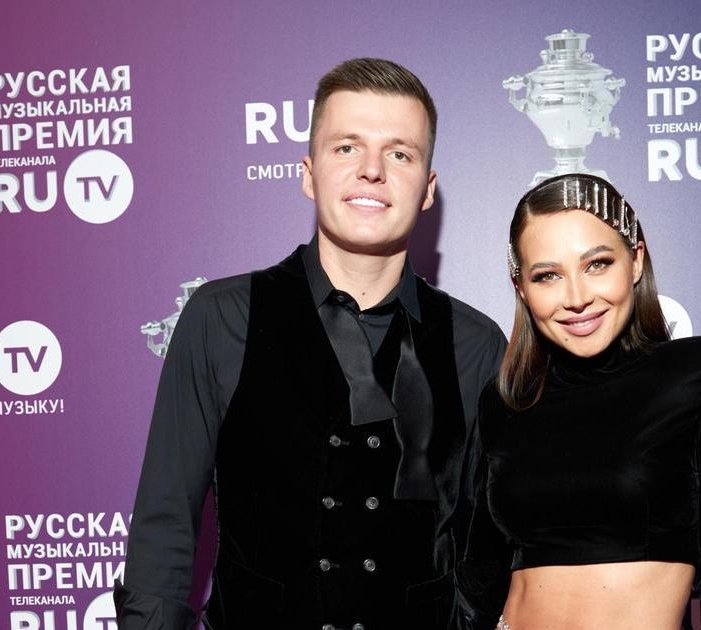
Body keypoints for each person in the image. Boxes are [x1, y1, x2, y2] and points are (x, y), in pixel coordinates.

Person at [114, 58, 506, 629]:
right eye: (347, 147)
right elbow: (165, 524)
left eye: (400, 154)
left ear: (427, 189)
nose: (371, 170)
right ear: (308, 172)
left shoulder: (475, 344)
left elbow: (489, 548)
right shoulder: (221, 318)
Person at [456, 173, 701, 630]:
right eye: (547, 276)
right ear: (521, 288)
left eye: (597, 264)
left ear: (636, 261)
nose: (577, 298)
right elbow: (480, 578)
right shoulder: (505, 402)